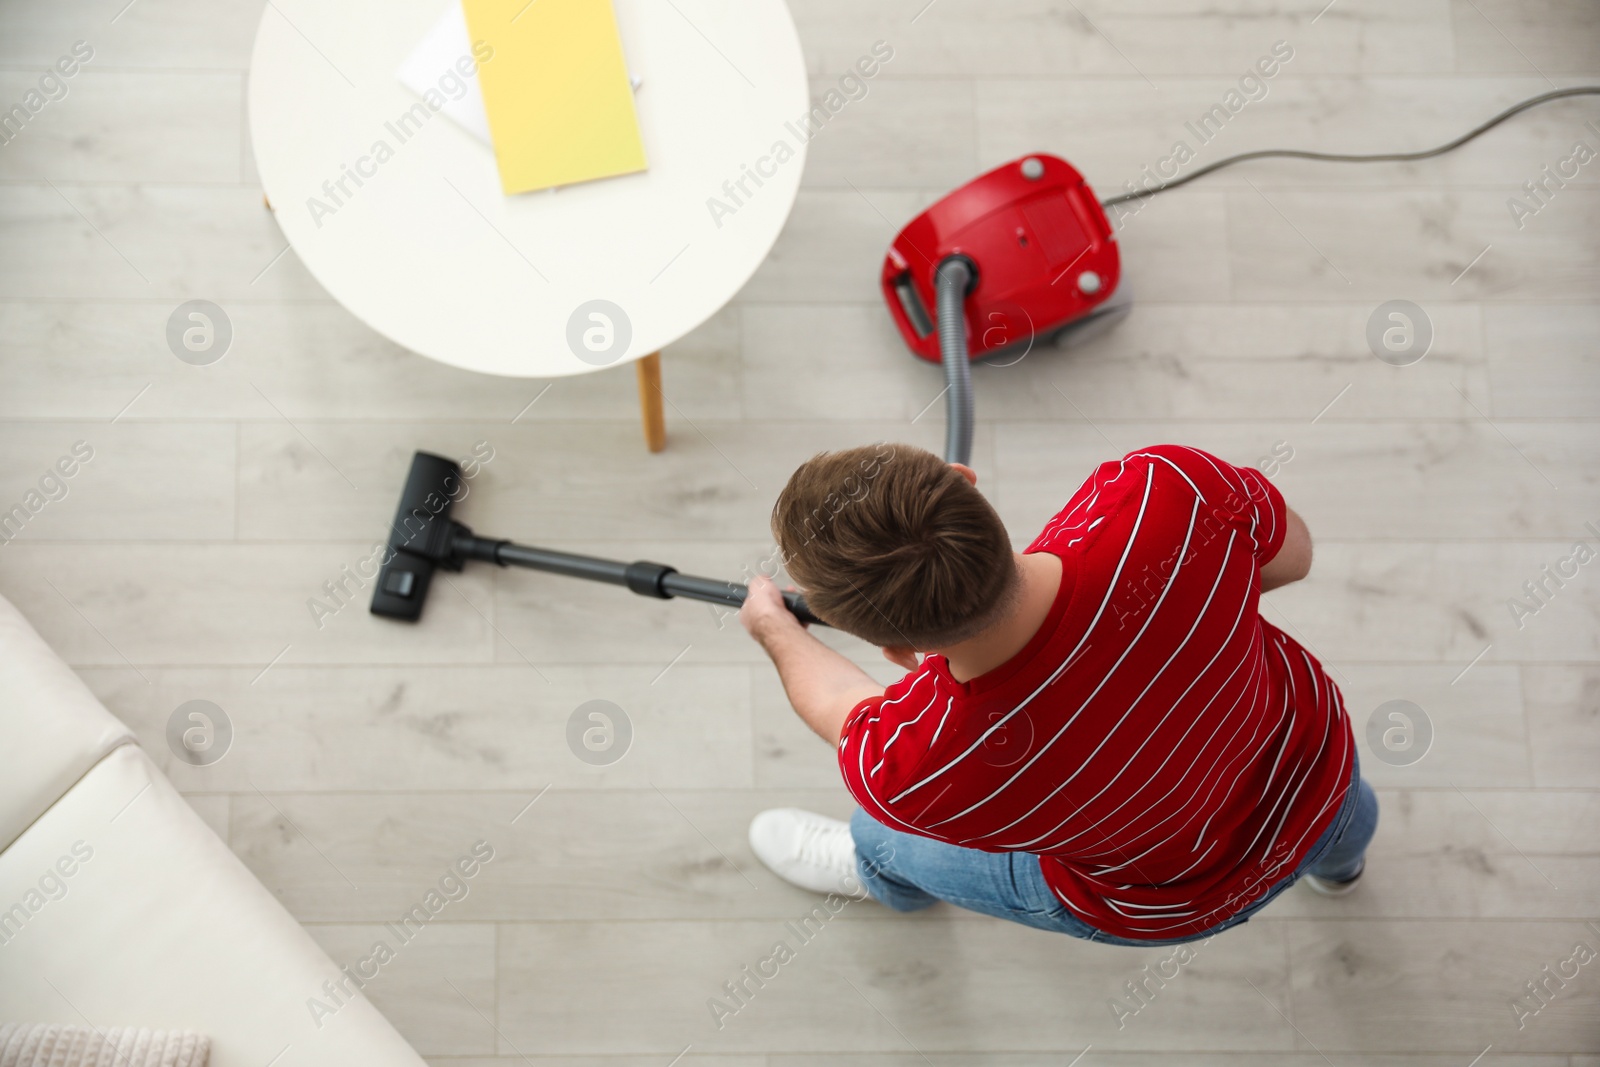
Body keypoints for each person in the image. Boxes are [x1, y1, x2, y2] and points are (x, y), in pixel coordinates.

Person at [737, 443, 1376, 945]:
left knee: (877, 831)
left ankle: (886, 879)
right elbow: (1292, 558)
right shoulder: (1167, 494)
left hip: (1170, 903)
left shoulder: (910, 770)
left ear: (894, 650)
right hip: (1316, 773)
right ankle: (1341, 870)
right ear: (964, 480)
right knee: (1341, 821)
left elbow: (840, 708)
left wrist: (772, 625)